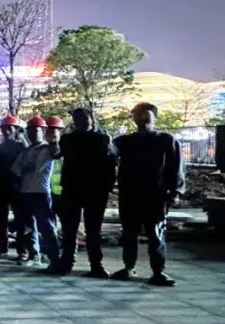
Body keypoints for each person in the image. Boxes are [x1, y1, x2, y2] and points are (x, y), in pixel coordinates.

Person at [112, 103, 184, 287]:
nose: (142, 118)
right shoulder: (124, 141)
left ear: (154, 117)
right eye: (138, 114)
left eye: (146, 114)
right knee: (129, 233)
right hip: (130, 194)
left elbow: (176, 167)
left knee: (156, 233)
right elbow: (108, 153)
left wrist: (175, 191)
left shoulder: (166, 140)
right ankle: (128, 267)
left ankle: (158, 271)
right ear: (133, 118)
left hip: (156, 195)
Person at [53, 108, 117, 277]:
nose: (81, 122)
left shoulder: (102, 139)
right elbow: (59, 155)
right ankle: (68, 262)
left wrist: (107, 187)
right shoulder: (67, 139)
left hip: (95, 190)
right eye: (77, 119)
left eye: (84, 118)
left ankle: (96, 264)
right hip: (72, 189)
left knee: (93, 230)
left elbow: (110, 164)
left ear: (91, 119)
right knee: (69, 229)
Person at [11, 116, 60, 271]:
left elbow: (35, 167)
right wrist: (25, 167)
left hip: (41, 192)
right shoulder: (27, 150)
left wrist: (25, 167)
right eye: (30, 130)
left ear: (43, 131)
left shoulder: (47, 149)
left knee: (46, 227)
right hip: (25, 192)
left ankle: (54, 259)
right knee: (28, 227)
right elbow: (16, 169)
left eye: (36, 130)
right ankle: (34, 255)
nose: (32, 133)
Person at [0, 115, 26, 260]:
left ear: (15, 129)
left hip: (16, 188)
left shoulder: (20, 146)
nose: (6, 131)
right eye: (4, 128)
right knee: (2, 220)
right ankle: (3, 248)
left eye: (9, 128)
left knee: (20, 220)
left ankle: (21, 250)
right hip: (1, 188)